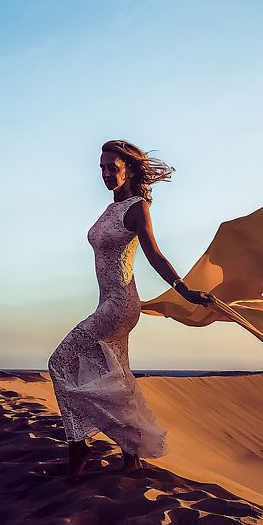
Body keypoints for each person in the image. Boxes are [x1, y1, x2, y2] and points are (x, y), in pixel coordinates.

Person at [48, 139, 212, 479]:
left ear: (129, 170)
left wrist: (182, 289)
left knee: (59, 361)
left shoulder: (137, 208)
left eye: (113, 168)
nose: (107, 174)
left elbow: (154, 253)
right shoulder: (111, 208)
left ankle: (78, 444)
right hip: (107, 301)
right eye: (103, 168)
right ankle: (131, 453)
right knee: (117, 377)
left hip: (120, 304)